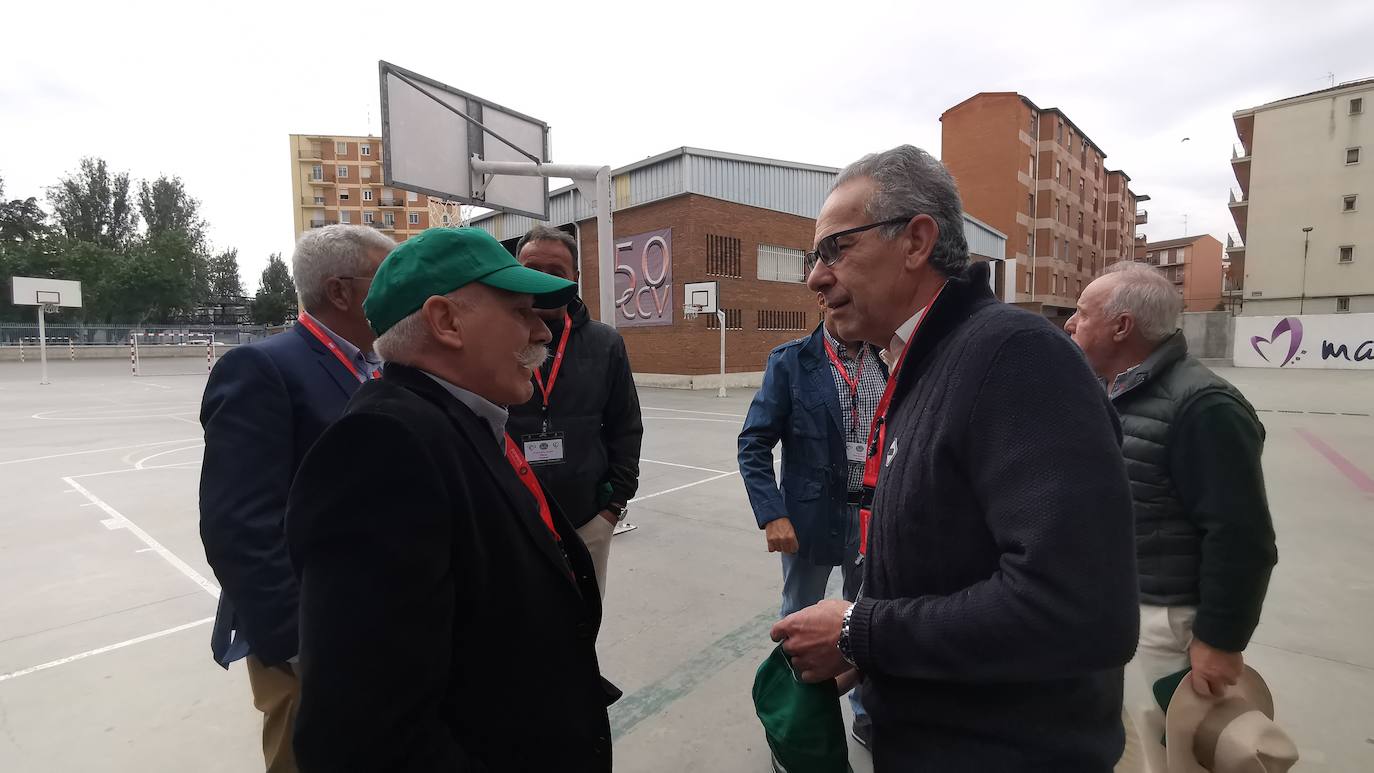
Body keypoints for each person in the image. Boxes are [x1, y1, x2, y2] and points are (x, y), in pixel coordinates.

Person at [771, 145, 1140, 771]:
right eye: (815, 256)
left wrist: (860, 630)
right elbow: (951, 567)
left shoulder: (1015, 357)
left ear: (916, 242)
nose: (816, 277)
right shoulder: (924, 363)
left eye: (836, 248)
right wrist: (871, 653)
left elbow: (1080, 613)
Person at [285, 227, 618, 772]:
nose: (544, 331)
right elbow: (362, 733)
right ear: (445, 322)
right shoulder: (383, 450)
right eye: (520, 313)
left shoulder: (463, 421)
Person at [1067, 261, 1277, 773]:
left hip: (1165, 624)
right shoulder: (1114, 392)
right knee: (1127, 750)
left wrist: (1220, 641)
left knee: (1165, 758)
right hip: (1117, 610)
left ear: (1122, 326)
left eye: (1081, 312)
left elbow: (1241, 536)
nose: (1070, 324)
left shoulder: (1204, 405)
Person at [198, 224, 394, 773]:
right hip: (309, 641)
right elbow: (239, 524)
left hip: (376, 624)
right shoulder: (264, 368)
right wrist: (299, 645)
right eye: (386, 279)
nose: (400, 292)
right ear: (340, 292)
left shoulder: (380, 366)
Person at [738, 292, 886, 749]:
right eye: (838, 302)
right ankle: (795, 716)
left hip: (872, 516)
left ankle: (864, 712)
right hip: (807, 518)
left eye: (857, 301)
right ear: (822, 303)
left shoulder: (885, 360)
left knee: (864, 618)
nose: (849, 311)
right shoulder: (791, 362)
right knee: (798, 619)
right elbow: (754, 444)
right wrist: (772, 515)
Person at [507, 224, 643, 597]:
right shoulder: (494, 335)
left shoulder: (605, 343)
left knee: (581, 625)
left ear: (575, 279)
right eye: (532, 269)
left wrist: (613, 507)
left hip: (587, 520)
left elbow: (626, 427)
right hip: (509, 520)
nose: (542, 280)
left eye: (556, 273)